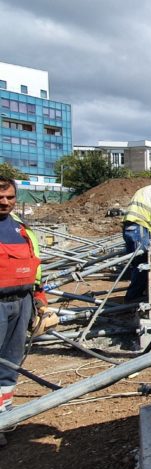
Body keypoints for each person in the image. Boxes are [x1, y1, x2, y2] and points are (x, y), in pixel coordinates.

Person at [0, 176, 57, 447]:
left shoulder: (22, 229)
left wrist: (40, 299)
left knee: (11, 360)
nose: (5, 202)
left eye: (10, 197)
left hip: (22, 301)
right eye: (0, 197)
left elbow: (35, 267)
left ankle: (4, 413)